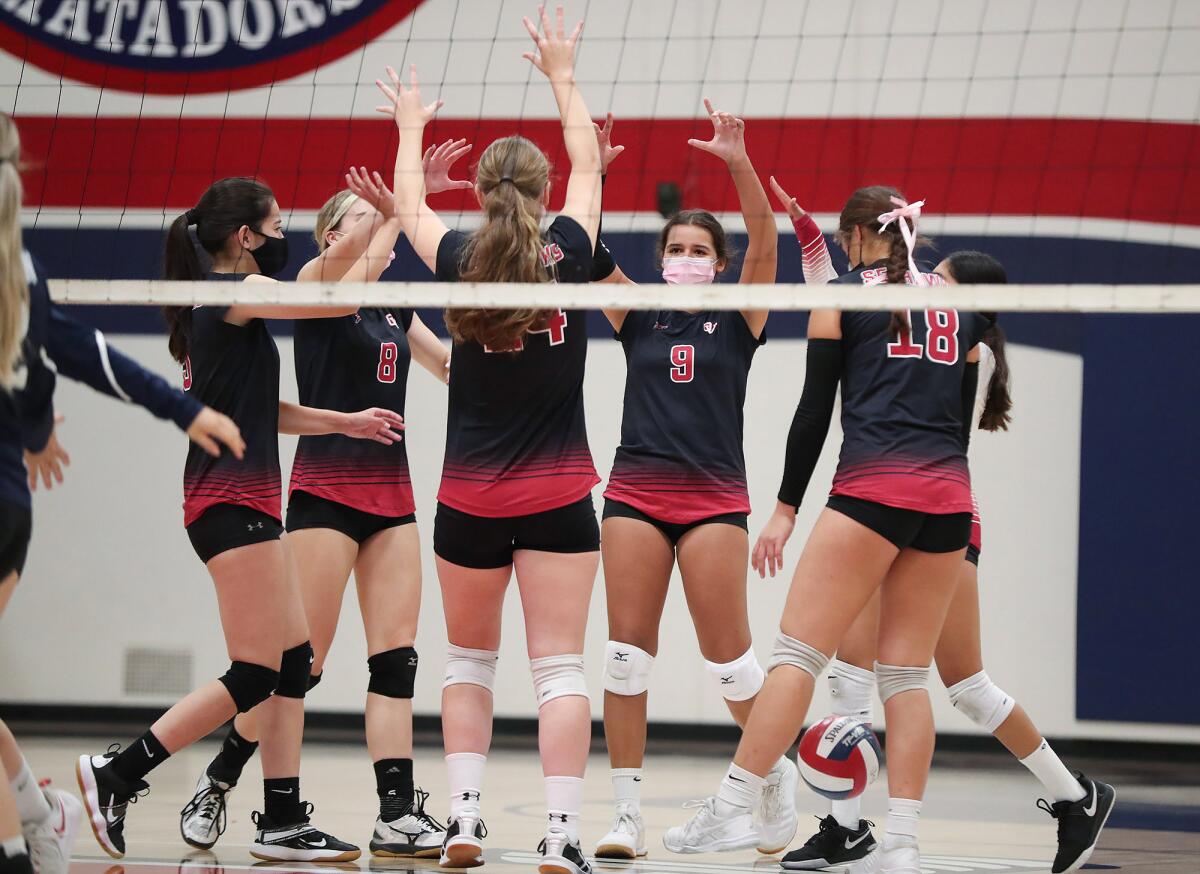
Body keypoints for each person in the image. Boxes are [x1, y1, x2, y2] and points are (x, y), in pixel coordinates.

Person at [76, 170, 407, 864]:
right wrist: (383, 220)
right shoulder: (236, 292)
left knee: (292, 661)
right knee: (256, 672)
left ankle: (281, 820)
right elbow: (322, 297)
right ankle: (120, 772)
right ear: (246, 237)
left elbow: (264, 409)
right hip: (230, 500)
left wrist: (342, 421)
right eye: (281, 226)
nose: (286, 236)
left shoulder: (225, 305)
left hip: (238, 500)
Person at [663, 186, 993, 874]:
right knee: (905, 679)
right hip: (948, 499)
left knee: (797, 657)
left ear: (853, 237)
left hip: (872, 489)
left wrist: (784, 508)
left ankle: (730, 804)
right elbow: (959, 418)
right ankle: (900, 841)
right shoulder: (955, 298)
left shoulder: (843, 292)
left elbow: (814, 411)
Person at [770, 236, 1115, 873]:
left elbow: (855, 312)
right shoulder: (962, 337)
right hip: (933, 506)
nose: (925, 283)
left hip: (919, 511)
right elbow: (856, 304)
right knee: (956, 684)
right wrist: (826, 254)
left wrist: (834, 266)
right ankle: (1072, 795)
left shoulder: (954, 340)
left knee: (885, 672)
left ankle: (870, 827)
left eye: (939, 278)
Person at [177, 145, 469, 859]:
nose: (378, 228)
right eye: (361, 220)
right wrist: (397, 213)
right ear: (333, 235)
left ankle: (396, 812)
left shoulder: (394, 308)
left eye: (379, 218)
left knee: (396, 660)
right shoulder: (314, 294)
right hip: (322, 497)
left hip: (391, 497)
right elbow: (351, 268)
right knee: (295, 666)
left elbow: (450, 368)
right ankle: (221, 780)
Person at [374, 6, 602, 872]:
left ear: (480, 195)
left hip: (466, 497)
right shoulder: (571, 251)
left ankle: (464, 822)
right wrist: (560, 75)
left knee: (468, 663)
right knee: (560, 673)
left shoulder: (461, 254)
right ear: (543, 196)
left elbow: (405, 206)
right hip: (557, 499)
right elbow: (587, 160)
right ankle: (560, 834)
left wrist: (409, 127)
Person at [0, 112, 243, 874]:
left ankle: (47, 817)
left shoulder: (21, 276)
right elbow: (67, 357)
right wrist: (37, 428)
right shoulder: (22, 270)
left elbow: (62, 357)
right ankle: (43, 819)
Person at [588, 106, 798, 859]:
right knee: (624, 655)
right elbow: (582, 251)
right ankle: (625, 817)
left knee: (732, 663)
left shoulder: (741, 316)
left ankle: (772, 776)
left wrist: (738, 160)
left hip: (713, 499)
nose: (683, 256)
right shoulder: (637, 312)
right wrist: (594, 169)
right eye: (674, 247)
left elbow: (768, 241)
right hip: (635, 495)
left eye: (698, 249)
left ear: (717, 260)